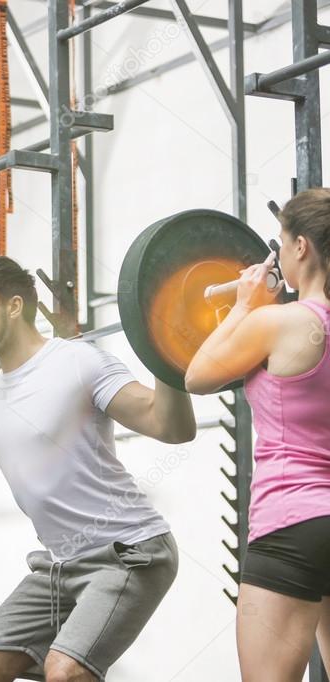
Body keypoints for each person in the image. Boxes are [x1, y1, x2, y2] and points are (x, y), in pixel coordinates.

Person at [0, 256, 197, 682]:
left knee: (65, 671)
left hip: (129, 552)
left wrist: (167, 350)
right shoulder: (4, 389)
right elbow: (14, 441)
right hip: (60, 565)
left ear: (13, 306)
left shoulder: (79, 363)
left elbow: (170, 426)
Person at [185, 189, 330, 682]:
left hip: (292, 522)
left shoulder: (280, 322)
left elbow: (198, 375)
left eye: (283, 243)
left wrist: (246, 303)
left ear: (302, 248)